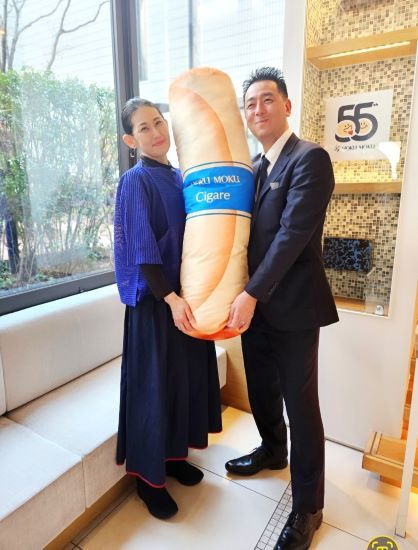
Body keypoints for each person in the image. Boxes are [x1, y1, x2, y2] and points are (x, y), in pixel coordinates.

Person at [226, 67, 339, 550]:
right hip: (255, 308)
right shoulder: (254, 168)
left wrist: (250, 294)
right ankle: (274, 451)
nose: (258, 109)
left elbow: (292, 235)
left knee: (301, 405)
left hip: (293, 308)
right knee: (262, 391)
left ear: (287, 105)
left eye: (267, 99)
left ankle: (309, 507)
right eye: (250, 103)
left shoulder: (309, 158)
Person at [114, 97, 222, 521]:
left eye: (158, 122)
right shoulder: (135, 181)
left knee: (183, 382)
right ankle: (149, 480)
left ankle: (174, 458)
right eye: (143, 128)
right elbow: (142, 250)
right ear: (131, 140)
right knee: (152, 390)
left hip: (187, 298)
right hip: (155, 303)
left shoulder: (180, 177)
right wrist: (171, 299)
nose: (156, 132)